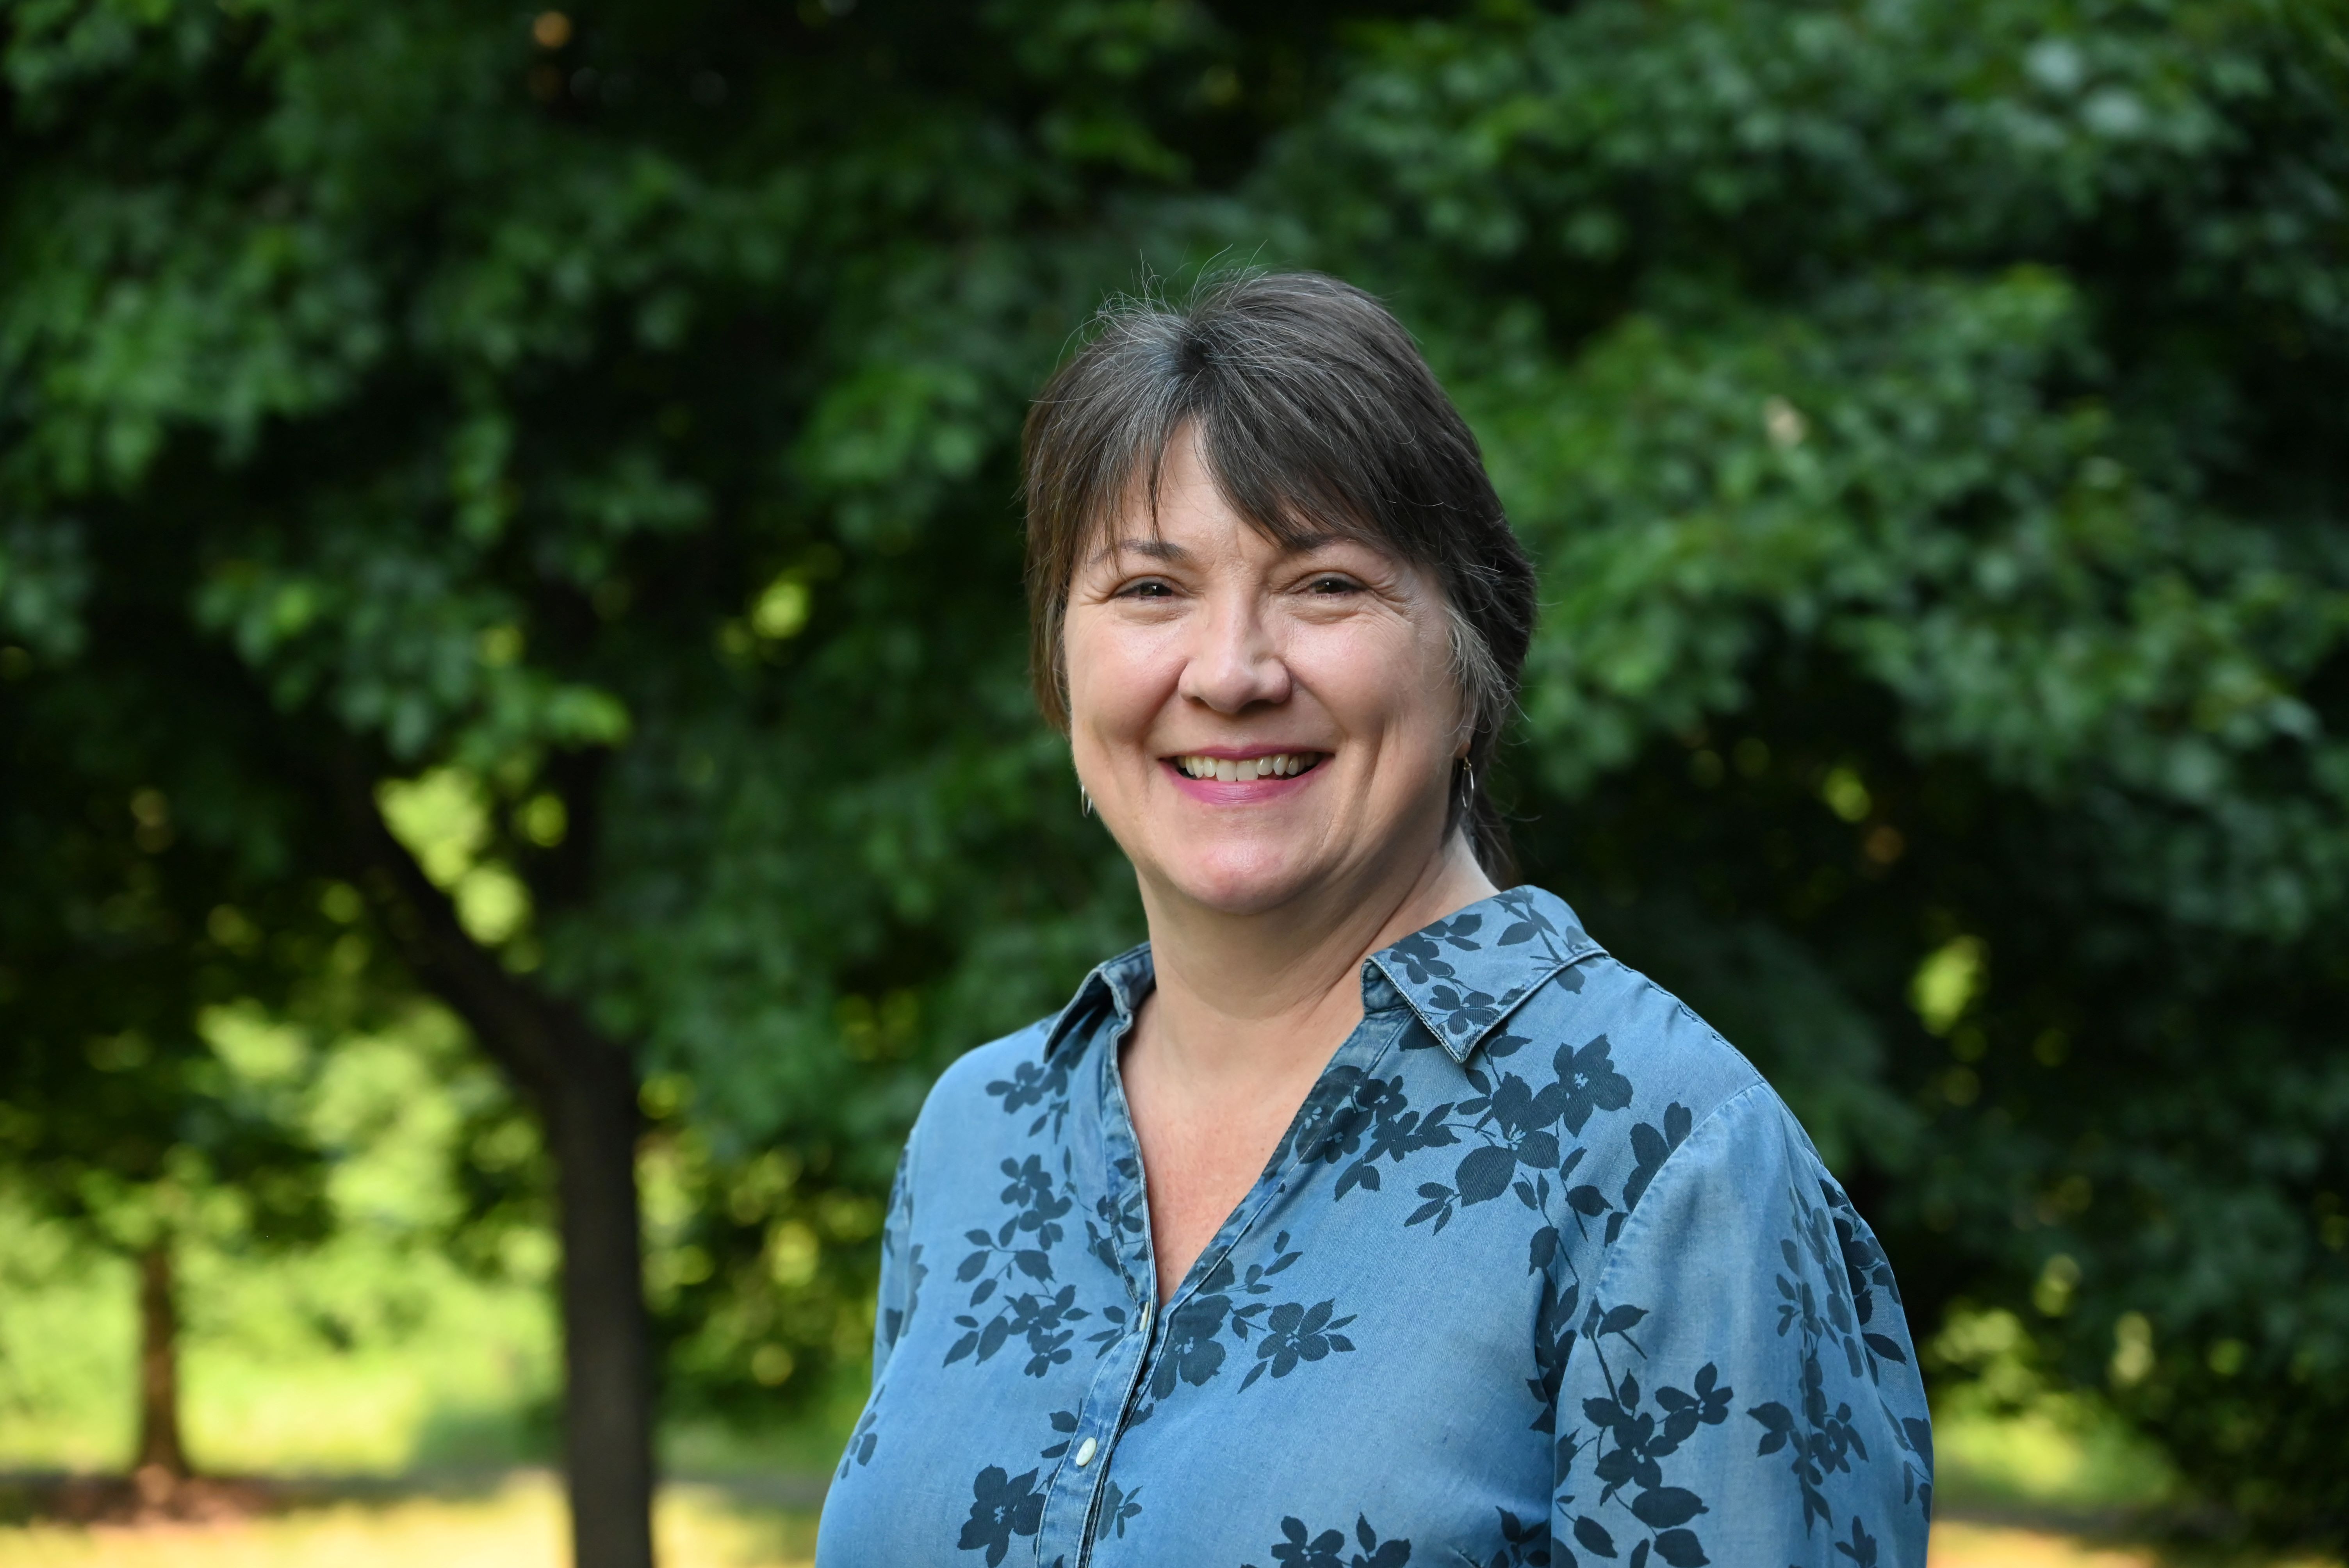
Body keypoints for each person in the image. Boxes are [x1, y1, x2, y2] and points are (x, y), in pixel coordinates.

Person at [813, 273, 1931, 1568]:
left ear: (1472, 668)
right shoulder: (983, 1135)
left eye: (1327, 584)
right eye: (1149, 591)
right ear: (1062, 674)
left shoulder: (1666, 1165)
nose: (1232, 672)